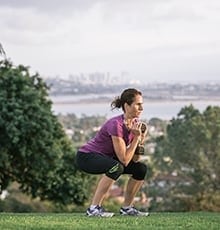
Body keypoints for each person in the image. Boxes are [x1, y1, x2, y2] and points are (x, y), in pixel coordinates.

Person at [76, 88, 149, 217]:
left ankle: (127, 208)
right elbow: (124, 160)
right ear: (127, 105)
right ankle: (93, 209)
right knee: (116, 167)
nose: (141, 108)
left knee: (140, 169)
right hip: (86, 157)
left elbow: (135, 159)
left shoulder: (135, 124)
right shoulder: (116, 125)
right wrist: (136, 138)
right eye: (138, 104)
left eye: (142, 104)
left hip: (106, 158)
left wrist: (140, 140)